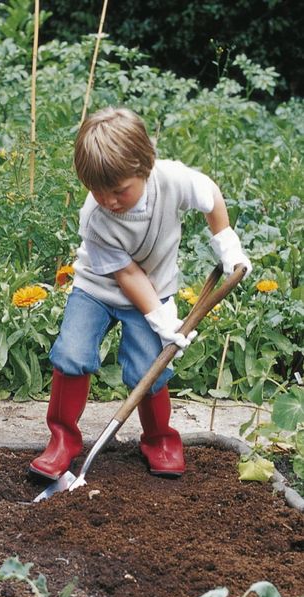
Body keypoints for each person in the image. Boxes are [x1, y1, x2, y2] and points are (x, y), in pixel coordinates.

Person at [29, 106, 252, 481]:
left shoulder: (172, 180)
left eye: (118, 191)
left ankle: (160, 439)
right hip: (96, 290)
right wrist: (163, 320)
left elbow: (210, 195)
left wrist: (226, 243)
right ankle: (63, 441)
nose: (108, 201)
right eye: (96, 191)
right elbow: (127, 275)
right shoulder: (95, 217)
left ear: (144, 168)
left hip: (157, 287)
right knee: (71, 353)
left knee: (150, 367)